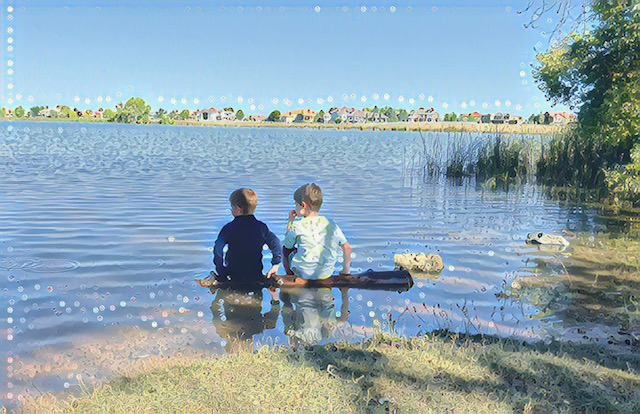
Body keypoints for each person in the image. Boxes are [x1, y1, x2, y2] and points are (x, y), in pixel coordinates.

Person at [281, 183, 351, 286]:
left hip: (303, 273)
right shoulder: (331, 224)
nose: (294, 207)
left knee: (285, 248)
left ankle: (290, 276)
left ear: (303, 206)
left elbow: (287, 244)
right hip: (326, 274)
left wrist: (290, 221)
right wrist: (345, 271)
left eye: (295, 204)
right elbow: (346, 247)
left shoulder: (297, 225)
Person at [213, 188, 282, 288]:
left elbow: (217, 248)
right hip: (255, 274)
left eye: (232, 207)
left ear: (238, 209)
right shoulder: (261, 228)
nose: (231, 210)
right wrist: (275, 264)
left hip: (233, 274)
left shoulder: (229, 228)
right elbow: (276, 243)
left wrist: (221, 270)